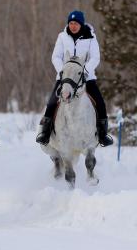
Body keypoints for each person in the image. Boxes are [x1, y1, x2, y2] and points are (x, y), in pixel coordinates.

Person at [36, 10, 114, 147]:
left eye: (76, 23)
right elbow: (56, 57)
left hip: (86, 78)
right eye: (71, 23)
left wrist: (85, 71)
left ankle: (102, 135)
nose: (73, 26)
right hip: (65, 78)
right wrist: (62, 71)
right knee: (51, 103)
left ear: (81, 24)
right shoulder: (62, 37)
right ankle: (46, 134)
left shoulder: (91, 37)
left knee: (100, 103)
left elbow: (95, 57)